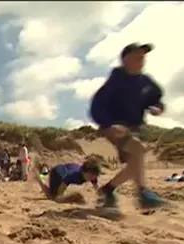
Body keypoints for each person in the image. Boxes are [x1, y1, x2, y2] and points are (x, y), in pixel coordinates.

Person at [90, 43, 167, 211]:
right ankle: (143, 195)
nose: (142, 59)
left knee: (135, 162)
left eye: (143, 56)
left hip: (135, 128)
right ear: (125, 59)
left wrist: (157, 107)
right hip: (115, 128)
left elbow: (156, 98)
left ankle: (108, 189)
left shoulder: (146, 81)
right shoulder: (116, 79)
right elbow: (97, 106)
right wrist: (109, 125)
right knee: (139, 150)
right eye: (137, 55)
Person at [34, 159, 101, 203]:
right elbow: (63, 186)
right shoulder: (74, 176)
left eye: (94, 176)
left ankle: (45, 169)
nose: (93, 178)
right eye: (91, 176)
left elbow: (97, 188)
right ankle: (39, 178)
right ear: (84, 172)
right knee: (51, 195)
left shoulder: (92, 175)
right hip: (57, 174)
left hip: (64, 169)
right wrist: (59, 197)